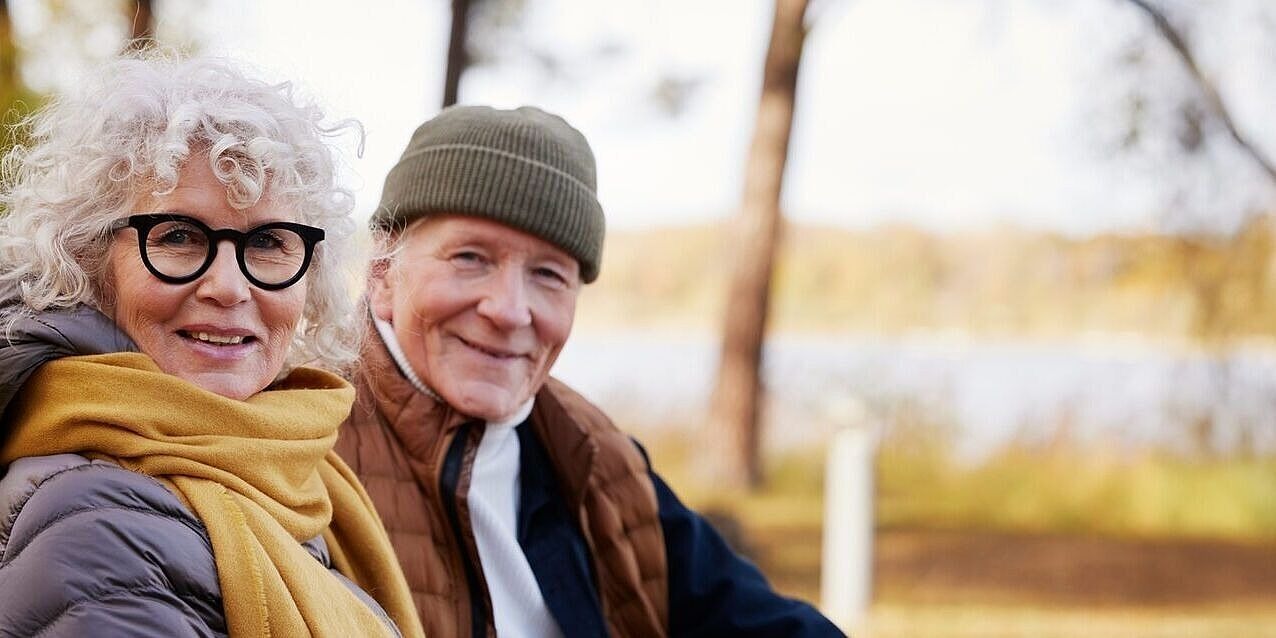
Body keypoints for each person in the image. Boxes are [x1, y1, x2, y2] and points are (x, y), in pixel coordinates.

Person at [336, 105, 844, 637]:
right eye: (470, 258)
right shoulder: (305, 448)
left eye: (548, 274)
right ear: (383, 275)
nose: (509, 310)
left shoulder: (596, 457)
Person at [0, 56, 422, 638]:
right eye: (178, 236)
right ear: (90, 261)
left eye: (269, 242)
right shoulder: (99, 529)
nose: (229, 287)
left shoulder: (298, 473)